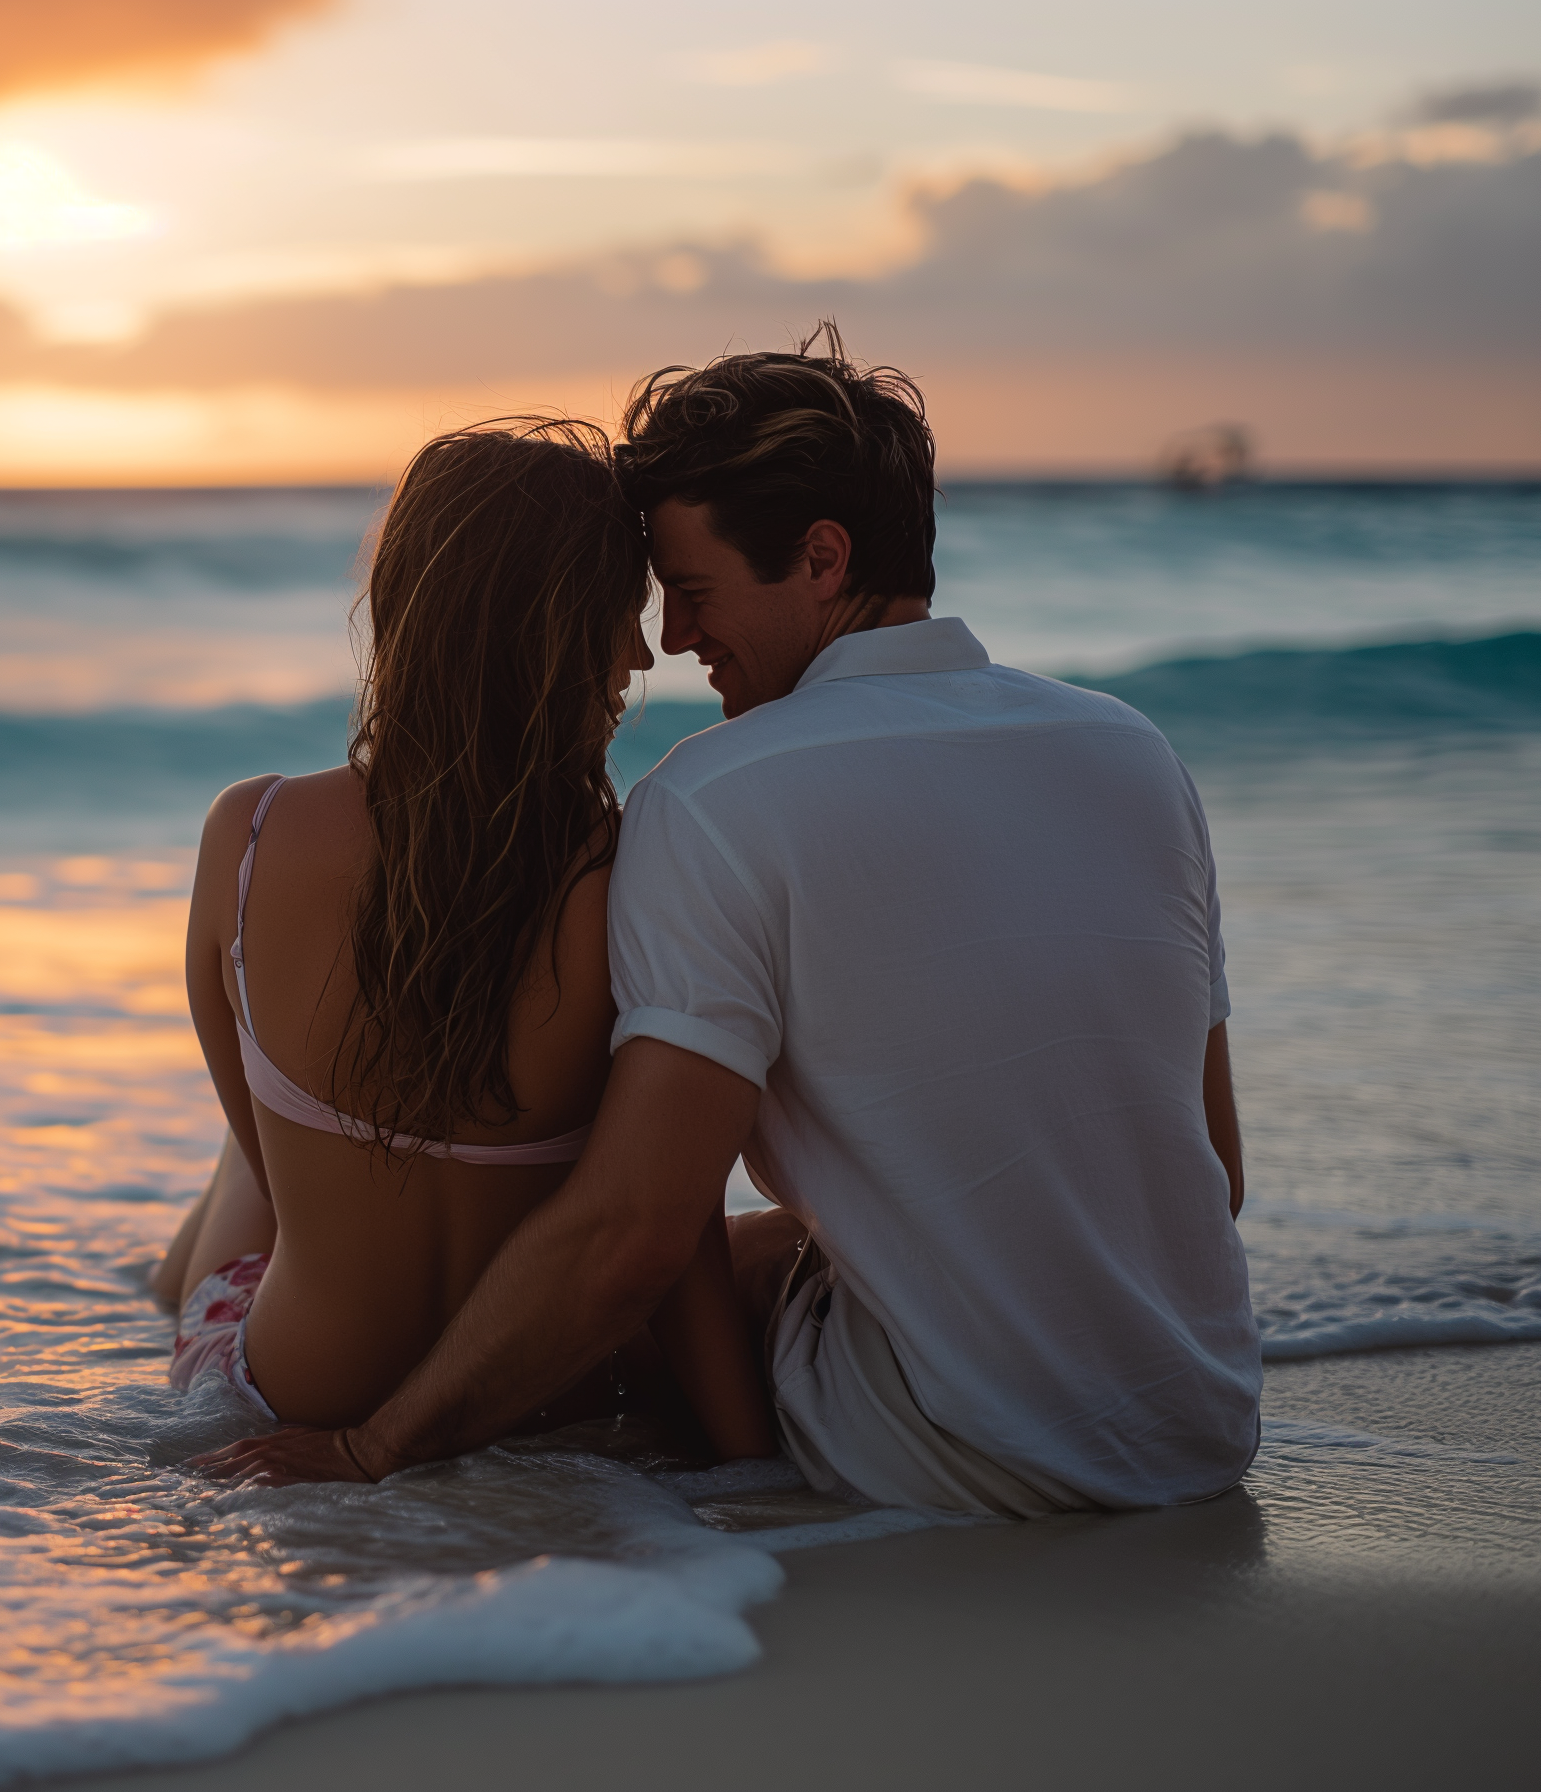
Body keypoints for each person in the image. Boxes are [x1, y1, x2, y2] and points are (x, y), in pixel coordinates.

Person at [197, 331, 1262, 1516]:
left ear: (821, 558)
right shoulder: (1134, 751)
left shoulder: (717, 797)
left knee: (272, 1173)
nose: (673, 642)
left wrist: (373, 1449)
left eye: (693, 593)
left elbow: (637, 1235)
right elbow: (1211, 1172)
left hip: (954, 1449)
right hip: (1202, 1422)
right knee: (779, 1241)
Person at [151, 418, 776, 1461]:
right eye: (616, 618)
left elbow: (269, 1155)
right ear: (545, 635)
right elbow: (679, 1243)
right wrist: (754, 1469)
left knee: (252, 1162)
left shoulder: (247, 835)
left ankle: (162, 1282)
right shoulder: (633, 875)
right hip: (553, 1404)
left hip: (283, 1396)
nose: (636, 654)